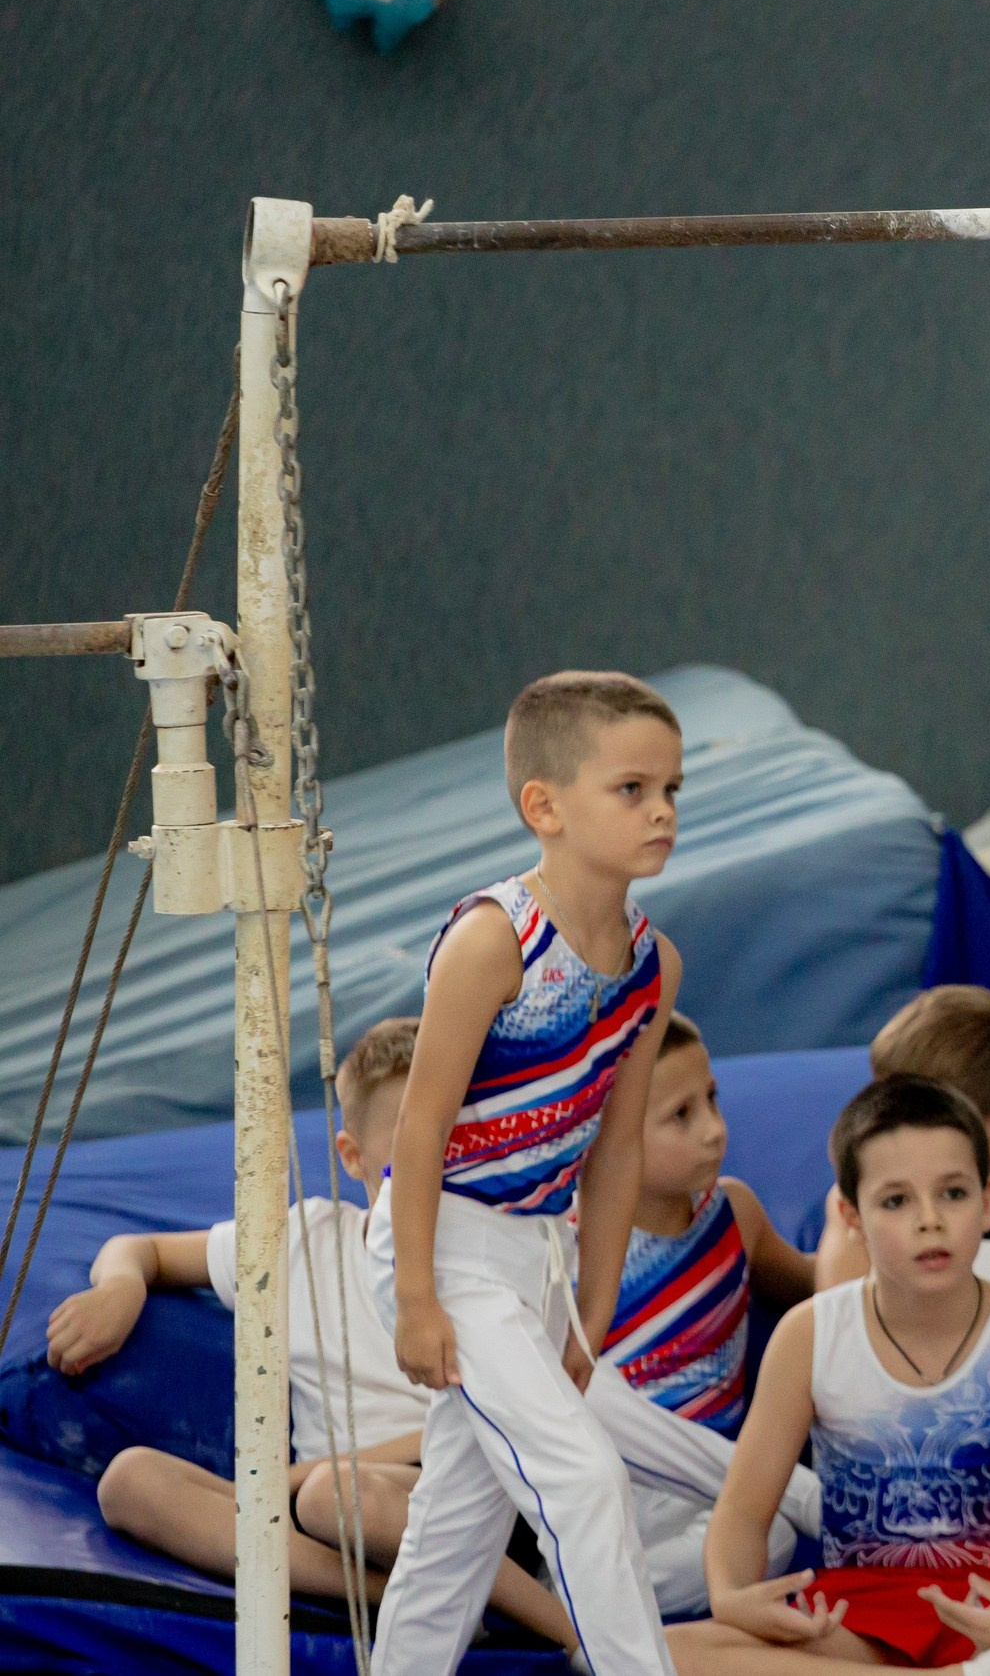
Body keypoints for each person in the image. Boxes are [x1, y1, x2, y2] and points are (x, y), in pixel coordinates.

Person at [42, 1019, 572, 1645]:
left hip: (442, 1493)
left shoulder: (503, 1254)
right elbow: (143, 1250)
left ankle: (558, 1629)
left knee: (337, 1495)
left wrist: (301, 1478)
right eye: (416, 1139)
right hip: (322, 1519)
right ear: (353, 1158)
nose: (439, 1160)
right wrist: (119, 1289)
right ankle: (399, 1595)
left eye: (460, 1134)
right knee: (129, 1482)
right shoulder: (308, 1239)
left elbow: (495, 1424)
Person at [371, 669, 689, 1676]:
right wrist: (417, 1296)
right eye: (631, 790)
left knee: (456, 1532)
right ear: (543, 808)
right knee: (583, 1475)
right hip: (447, 1242)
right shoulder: (493, 940)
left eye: (673, 790)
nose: (661, 812)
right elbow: (418, 1131)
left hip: (534, 1260)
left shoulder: (650, 962)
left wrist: (589, 1321)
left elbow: (618, 1150)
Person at [666, 1074, 990, 1676]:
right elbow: (743, 1513)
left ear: (988, 1201)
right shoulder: (809, 1335)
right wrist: (732, 1597)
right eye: (896, 1201)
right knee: (672, 1654)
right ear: (850, 1214)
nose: (929, 1221)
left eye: (953, 1194)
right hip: (853, 1621)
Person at [589, 1009, 825, 1618]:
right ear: (604, 1134)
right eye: (682, 1116)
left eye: (712, 1100)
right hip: (617, 1488)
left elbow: (820, 1290)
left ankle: (587, 1613)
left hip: (716, 1496)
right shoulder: (570, 1244)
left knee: (767, 1540)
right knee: (580, 1387)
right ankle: (577, 1600)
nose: (716, 1130)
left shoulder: (734, 1215)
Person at [811, 986, 990, 1339]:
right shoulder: (855, 1205)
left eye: (930, 1117)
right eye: (888, 1106)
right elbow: (836, 1335)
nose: (899, 1130)